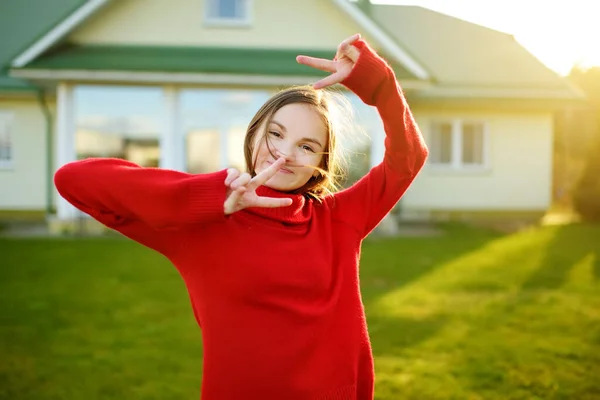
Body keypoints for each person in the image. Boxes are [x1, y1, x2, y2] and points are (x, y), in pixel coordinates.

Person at [54, 33, 429, 400]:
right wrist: (213, 197)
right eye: (276, 134)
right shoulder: (199, 223)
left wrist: (379, 87)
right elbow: (73, 180)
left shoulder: (339, 218)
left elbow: (408, 157)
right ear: (252, 137)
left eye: (307, 146)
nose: (285, 154)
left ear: (320, 163)